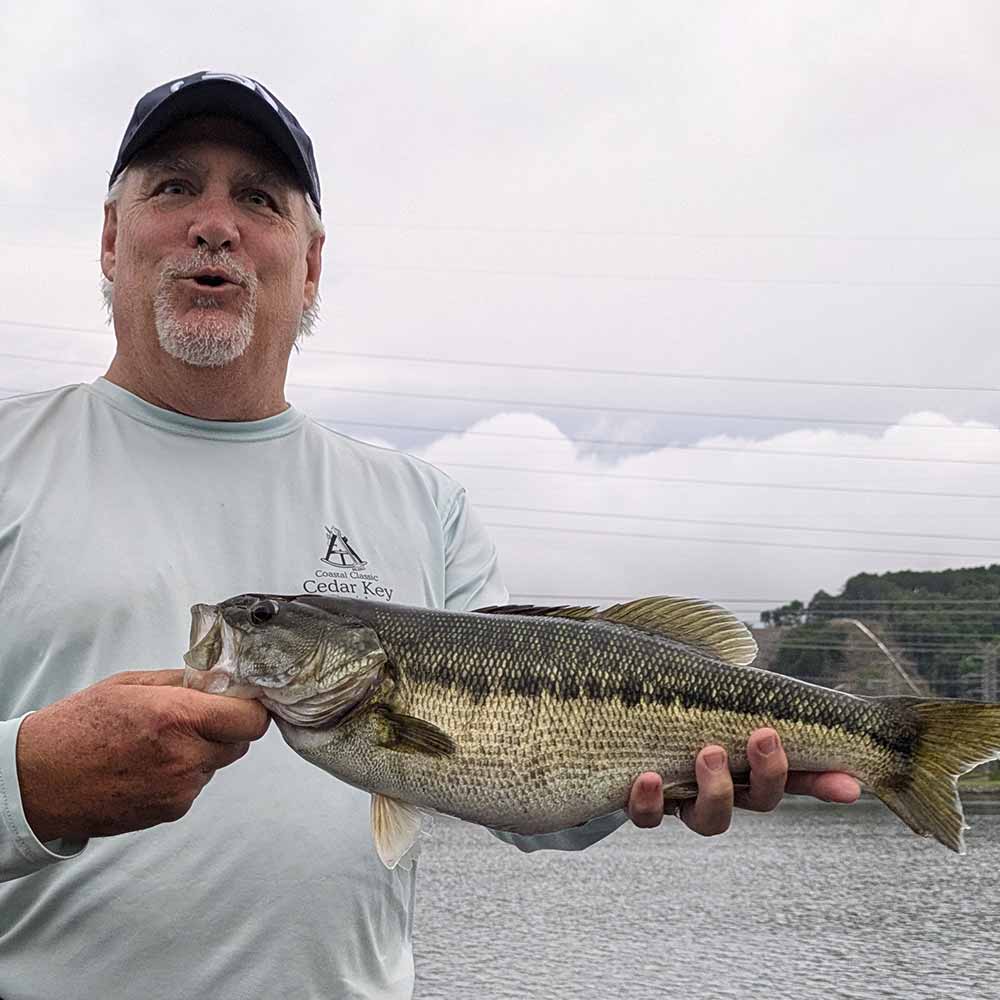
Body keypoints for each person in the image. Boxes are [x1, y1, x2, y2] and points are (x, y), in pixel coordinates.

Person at [0, 71, 859, 998]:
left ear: (312, 262)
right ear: (109, 236)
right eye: (174, 187)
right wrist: (27, 782)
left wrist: (675, 770)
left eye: (258, 198)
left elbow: (529, 802)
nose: (216, 224)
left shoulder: (422, 503)